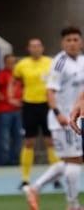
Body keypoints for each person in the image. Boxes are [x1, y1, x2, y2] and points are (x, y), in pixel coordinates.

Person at [24, 27, 84, 209]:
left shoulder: (82, 61)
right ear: (62, 43)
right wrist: (59, 114)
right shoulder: (59, 62)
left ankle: (34, 187)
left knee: (70, 160)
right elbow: (50, 90)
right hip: (64, 120)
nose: (72, 43)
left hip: (77, 117)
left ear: (81, 42)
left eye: (75, 40)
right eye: (69, 40)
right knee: (74, 160)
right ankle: (72, 204)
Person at [15, 36, 59, 188]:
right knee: (29, 142)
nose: (36, 48)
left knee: (50, 141)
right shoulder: (22, 65)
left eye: (38, 46)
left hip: (47, 105)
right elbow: (14, 82)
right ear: (28, 49)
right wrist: (11, 97)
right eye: (33, 46)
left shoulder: (51, 63)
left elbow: (58, 83)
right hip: (29, 105)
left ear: (42, 48)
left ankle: (56, 177)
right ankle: (25, 179)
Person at [0, 54, 23, 165]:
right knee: (5, 136)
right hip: (4, 110)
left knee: (18, 135)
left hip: (18, 109)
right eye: (9, 62)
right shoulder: (1, 74)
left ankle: (17, 159)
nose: (11, 64)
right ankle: (6, 161)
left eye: (13, 62)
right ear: (5, 63)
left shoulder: (19, 75)